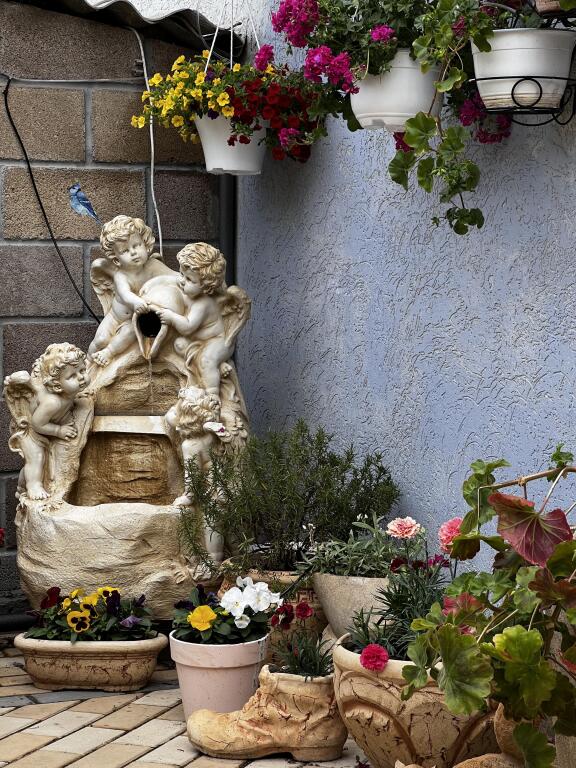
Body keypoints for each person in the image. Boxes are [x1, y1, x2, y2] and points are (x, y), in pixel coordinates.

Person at [88, 215, 173, 366]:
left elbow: (175, 277)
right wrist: (136, 301)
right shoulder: (121, 275)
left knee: (131, 332)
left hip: (132, 321)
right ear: (116, 259)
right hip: (114, 318)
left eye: (137, 245)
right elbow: (125, 294)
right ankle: (88, 363)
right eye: (125, 251)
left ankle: (108, 353)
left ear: (146, 244)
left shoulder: (154, 266)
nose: (133, 253)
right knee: (100, 340)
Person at [10, 343, 89, 500]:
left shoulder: (67, 392)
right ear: (57, 385)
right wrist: (59, 431)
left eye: (82, 370)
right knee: (36, 458)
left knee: (43, 463)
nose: (81, 377)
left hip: (46, 426)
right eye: (72, 376)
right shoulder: (53, 402)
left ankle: (22, 486)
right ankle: (33, 486)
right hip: (32, 433)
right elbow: (37, 424)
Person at [152, 243, 232, 396]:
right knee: (179, 344)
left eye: (189, 279)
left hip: (217, 341)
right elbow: (169, 280)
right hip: (199, 341)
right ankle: (215, 367)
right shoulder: (189, 291)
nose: (182, 280)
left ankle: (212, 394)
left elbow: (187, 327)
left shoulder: (203, 304)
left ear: (206, 286)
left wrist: (171, 317)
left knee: (206, 360)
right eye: (181, 274)